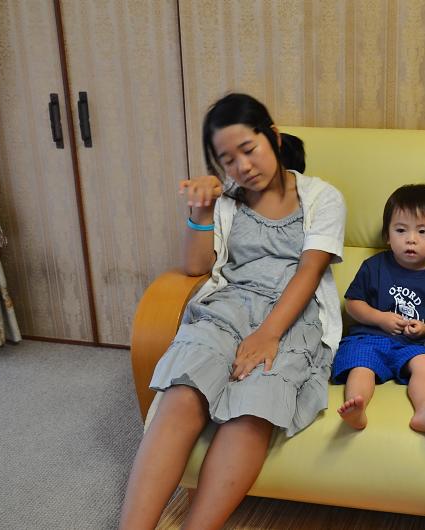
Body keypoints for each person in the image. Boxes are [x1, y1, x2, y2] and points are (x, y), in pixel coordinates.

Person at [118, 93, 346, 530]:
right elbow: (196, 267)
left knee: (252, 409)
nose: (243, 166)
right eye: (228, 160)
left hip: (292, 318)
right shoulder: (227, 201)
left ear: (273, 137)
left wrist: (268, 334)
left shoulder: (322, 197)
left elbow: (309, 271)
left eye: (249, 149)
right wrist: (201, 210)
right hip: (227, 308)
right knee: (183, 391)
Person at [332, 184, 425, 433]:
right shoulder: (374, 266)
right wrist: (380, 318)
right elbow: (353, 304)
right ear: (387, 236)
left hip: (414, 344)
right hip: (370, 338)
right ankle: (357, 407)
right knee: (361, 364)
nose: (411, 239)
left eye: (423, 231)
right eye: (401, 230)